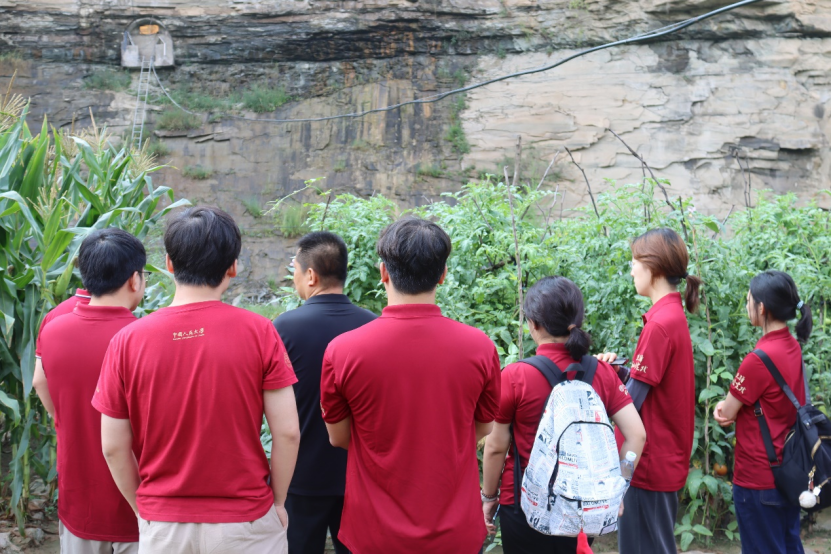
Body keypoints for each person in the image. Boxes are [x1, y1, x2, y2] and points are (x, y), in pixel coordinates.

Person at [92, 206, 300, 554]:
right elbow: (288, 432)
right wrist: (278, 501)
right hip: (246, 521)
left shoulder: (127, 341)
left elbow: (113, 446)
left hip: (164, 526)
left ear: (169, 264)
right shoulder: (260, 331)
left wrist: (143, 511)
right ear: (233, 267)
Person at [320, 217, 501, 553]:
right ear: (442, 274)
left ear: (383, 272)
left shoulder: (343, 351)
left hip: (374, 534)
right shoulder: (480, 348)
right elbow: (481, 427)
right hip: (455, 534)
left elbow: (339, 437)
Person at [481, 276, 646, 554]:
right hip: (582, 509)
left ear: (533, 324)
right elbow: (637, 435)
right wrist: (617, 488)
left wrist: (489, 497)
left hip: (523, 506)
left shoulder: (516, 376)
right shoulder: (602, 372)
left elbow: (496, 447)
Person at [35, 229, 146, 554]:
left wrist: (68, 420)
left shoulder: (53, 327)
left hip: (79, 499)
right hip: (136, 507)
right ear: (134, 280)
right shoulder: (143, 338)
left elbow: (39, 381)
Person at [272, 231, 376, 554]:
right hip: (360, 476)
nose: (293, 278)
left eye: (294, 269)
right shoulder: (373, 327)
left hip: (300, 476)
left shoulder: (283, 328)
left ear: (311, 275)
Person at [599, 228, 700, 554]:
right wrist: (619, 373)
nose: (632, 271)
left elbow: (631, 402)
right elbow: (650, 385)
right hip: (658, 461)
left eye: (634, 262)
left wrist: (601, 380)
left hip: (646, 465)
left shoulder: (659, 324)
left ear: (652, 267)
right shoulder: (670, 316)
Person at [713, 271, 811, 554]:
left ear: (762, 308)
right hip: (789, 473)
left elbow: (727, 411)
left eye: (749, 300)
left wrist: (723, 407)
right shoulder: (792, 346)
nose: (747, 305)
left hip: (758, 479)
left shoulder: (758, 360)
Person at [33, 286, 92, 416]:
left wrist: (59, 419)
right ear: (132, 281)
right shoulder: (127, 325)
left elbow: (39, 381)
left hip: (68, 421)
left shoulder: (53, 315)